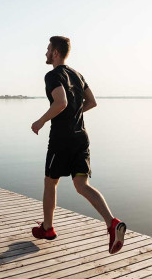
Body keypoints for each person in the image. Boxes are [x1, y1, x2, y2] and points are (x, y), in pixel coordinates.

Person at [30, 36, 126, 254]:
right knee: (82, 186)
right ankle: (112, 223)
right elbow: (92, 101)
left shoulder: (53, 75)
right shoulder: (78, 75)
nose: (45, 53)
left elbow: (61, 102)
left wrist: (41, 120)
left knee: (50, 182)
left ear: (55, 53)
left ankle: (48, 228)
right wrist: (75, 113)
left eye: (48, 49)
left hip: (61, 139)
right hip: (81, 137)